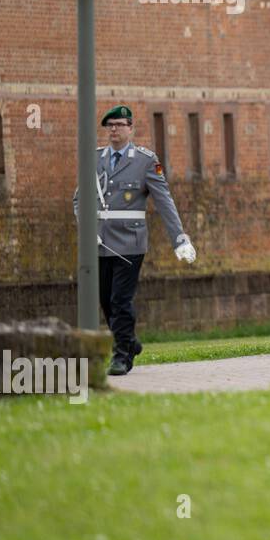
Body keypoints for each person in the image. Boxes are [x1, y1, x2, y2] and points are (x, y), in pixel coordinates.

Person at [72, 105, 195, 375]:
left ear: (130, 128)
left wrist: (180, 239)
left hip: (130, 241)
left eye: (119, 124)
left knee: (120, 300)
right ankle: (129, 341)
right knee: (105, 299)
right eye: (110, 125)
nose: (114, 129)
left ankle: (121, 357)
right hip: (100, 241)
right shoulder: (95, 159)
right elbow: (80, 199)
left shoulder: (145, 161)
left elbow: (164, 202)